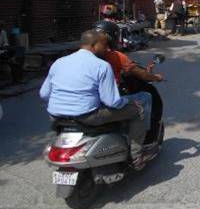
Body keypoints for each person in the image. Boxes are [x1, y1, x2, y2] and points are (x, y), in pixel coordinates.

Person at [39, 30, 152, 169]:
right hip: (87, 116)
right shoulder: (101, 65)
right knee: (138, 109)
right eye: (104, 45)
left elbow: (44, 94)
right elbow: (112, 101)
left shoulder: (59, 62)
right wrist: (129, 102)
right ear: (94, 45)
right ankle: (136, 156)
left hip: (56, 116)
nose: (106, 49)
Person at [94, 20, 164, 142]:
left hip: (86, 102)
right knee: (145, 98)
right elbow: (141, 74)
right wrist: (156, 77)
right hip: (105, 102)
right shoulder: (114, 55)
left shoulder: (77, 57)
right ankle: (141, 142)